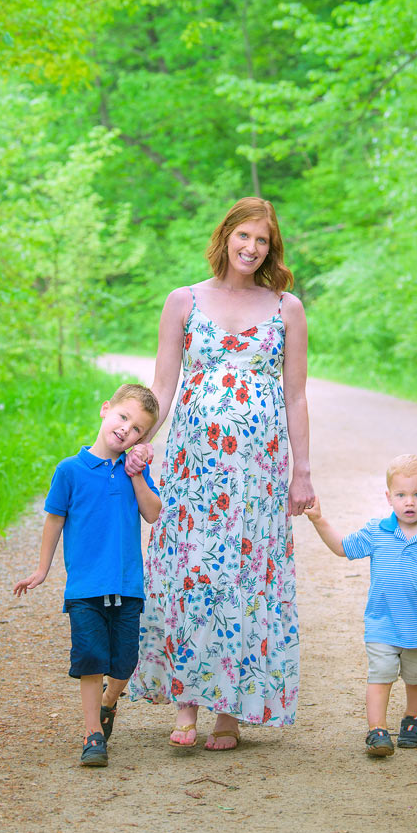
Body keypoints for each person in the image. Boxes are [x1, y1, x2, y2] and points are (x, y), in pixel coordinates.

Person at [127, 197, 314, 750]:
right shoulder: (183, 301)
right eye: (244, 236)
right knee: (190, 574)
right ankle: (186, 704)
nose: (251, 248)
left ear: (271, 248)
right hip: (194, 470)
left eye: (262, 240)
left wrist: (302, 473)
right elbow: (163, 386)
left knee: (244, 578)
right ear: (226, 236)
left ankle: (230, 711)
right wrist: (136, 441)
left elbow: (296, 396)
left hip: (258, 474)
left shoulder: (286, 308)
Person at [13, 383, 161, 768]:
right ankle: (92, 733)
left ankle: (111, 701)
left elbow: (153, 512)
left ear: (142, 438)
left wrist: (136, 474)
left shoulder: (134, 471)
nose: (126, 429)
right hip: (85, 588)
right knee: (92, 659)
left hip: (127, 585)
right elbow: (54, 520)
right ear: (105, 409)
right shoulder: (70, 470)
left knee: (125, 662)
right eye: (123, 417)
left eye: (137, 429)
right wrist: (42, 569)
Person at [305, 453, 417, 757]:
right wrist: (318, 519)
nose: (409, 502)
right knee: (380, 675)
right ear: (389, 497)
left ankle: (413, 720)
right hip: (382, 624)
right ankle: (377, 730)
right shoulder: (377, 532)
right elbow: (342, 547)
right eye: (401, 495)